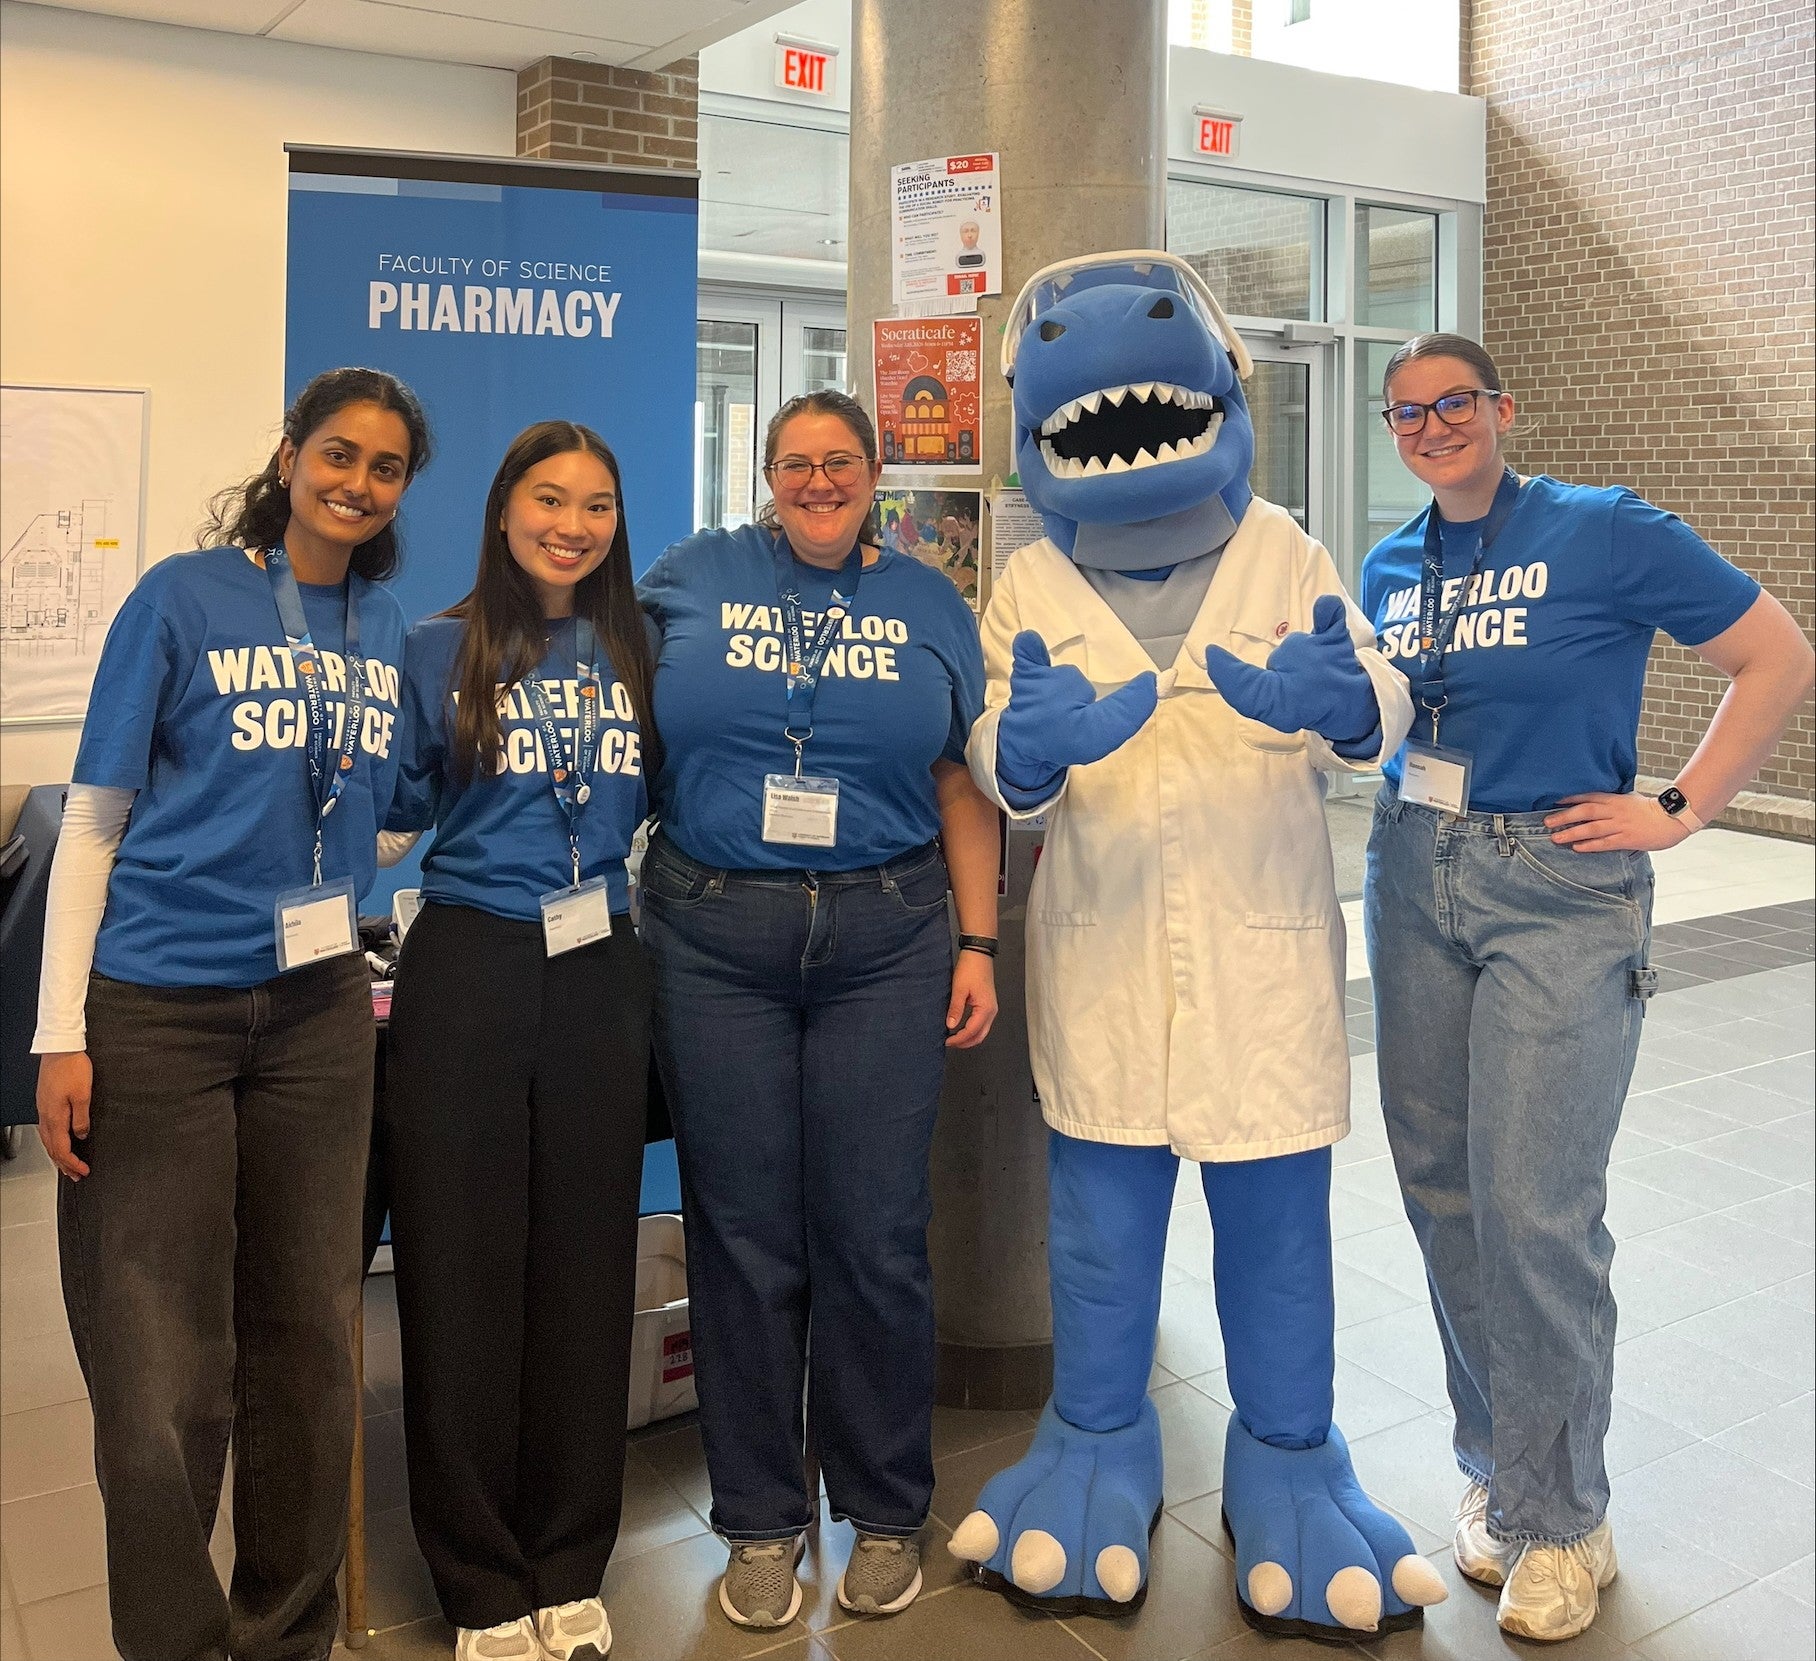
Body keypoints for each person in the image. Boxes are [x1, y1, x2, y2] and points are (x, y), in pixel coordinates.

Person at [1358, 333, 1815, 1643]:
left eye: (1454, 403)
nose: (1433, 426)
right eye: (1408, 413)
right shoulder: (1394, 565)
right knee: (1442, 1187)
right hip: (1410, 872)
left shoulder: (1602, 529)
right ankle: (1503, 1478)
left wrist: (1673, 807)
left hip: (1557, 887)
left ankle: (1567, 1524)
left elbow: (1778, 657)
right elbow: (1386, 723)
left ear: (1503, 408)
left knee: (1536, 1206)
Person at [32, 366, 432, 1661]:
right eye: (338, 453)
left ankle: (286, 1629)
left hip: (320, 1012)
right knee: (160, 1368)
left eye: (384, 467)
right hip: (157, 1011)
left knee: (311, 1339)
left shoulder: (385, 626)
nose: (357, 482)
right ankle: (173, 1641)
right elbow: (93, 819)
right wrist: (58, 1031)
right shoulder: (181, 597)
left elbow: (381, 806)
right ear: (291, 451)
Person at [637, 389, 1000, 1630]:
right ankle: (756, 1519)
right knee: (739, 1233)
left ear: (876, 472)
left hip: (886, 936)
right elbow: (598, 699)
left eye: (841, 461)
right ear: (765, 472)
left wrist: (978, 941)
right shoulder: (690, 575)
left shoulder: (926, 600)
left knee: (875, 1232)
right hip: (713, 934)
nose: (817, 481)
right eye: (795, 463)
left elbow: (961, 782)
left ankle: (888, 1505)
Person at [381, 422, 656, 1661]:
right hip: (472, 962)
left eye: (596, 503)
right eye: (550, 498)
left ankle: (566, 1553)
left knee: (586, 1267)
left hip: (600, 965)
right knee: (462, 1270)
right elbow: (379, 811)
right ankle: (481, 1577)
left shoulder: (637, 646)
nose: (573, 522)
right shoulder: (438, 645)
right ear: (504, 511)